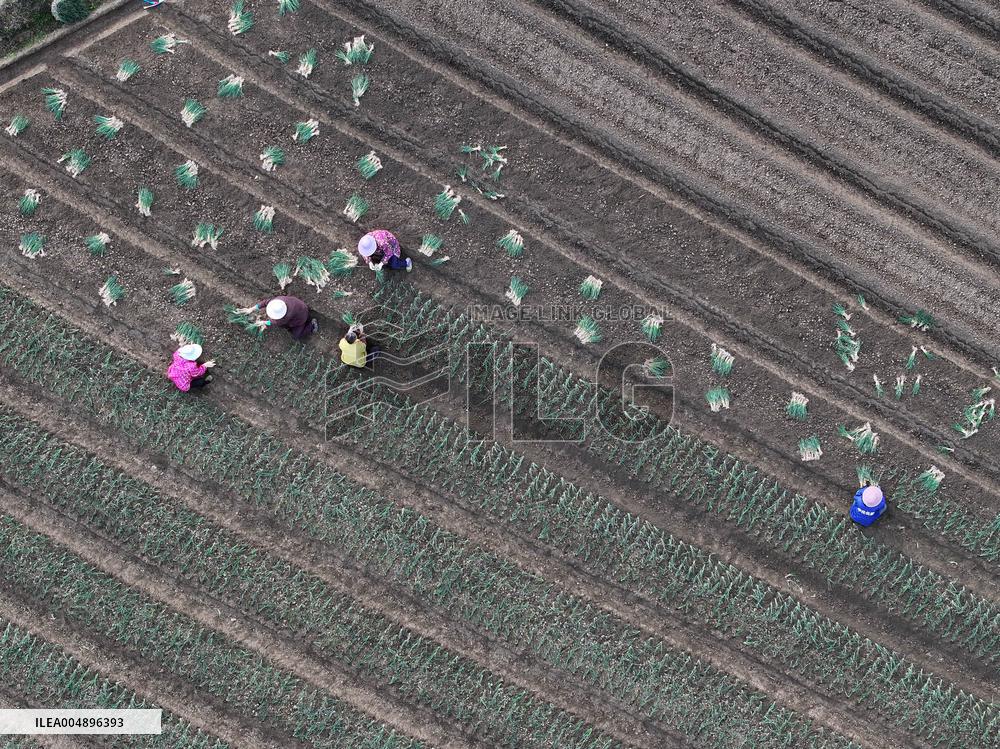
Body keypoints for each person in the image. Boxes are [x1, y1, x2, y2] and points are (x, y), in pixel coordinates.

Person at [241, 296, 318, 340]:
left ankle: (312, 325)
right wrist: (251, 309)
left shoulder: (286, 316)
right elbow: (264, 302)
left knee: (296, 336)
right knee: (286, 326)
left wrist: (263, 322)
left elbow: (274, 323)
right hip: (300, 305)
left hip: (301, 317)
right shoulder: (278, 301)